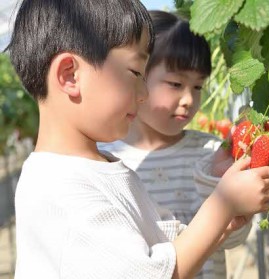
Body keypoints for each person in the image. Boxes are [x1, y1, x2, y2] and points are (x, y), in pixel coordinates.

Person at [7, 1, 269, 278]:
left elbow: (167, 243)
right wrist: (224, 204)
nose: (143, 93)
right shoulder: (61, 188)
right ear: (70, 75)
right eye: (136, 73)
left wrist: (226, 220)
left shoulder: (101, 168)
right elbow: (153, 273)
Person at [99, 10, 250, 278]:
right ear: (138, 78)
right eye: (176, 83)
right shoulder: (107, 162)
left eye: (198, 87)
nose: (188, 99)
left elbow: (232, 239)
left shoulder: (210, 153)